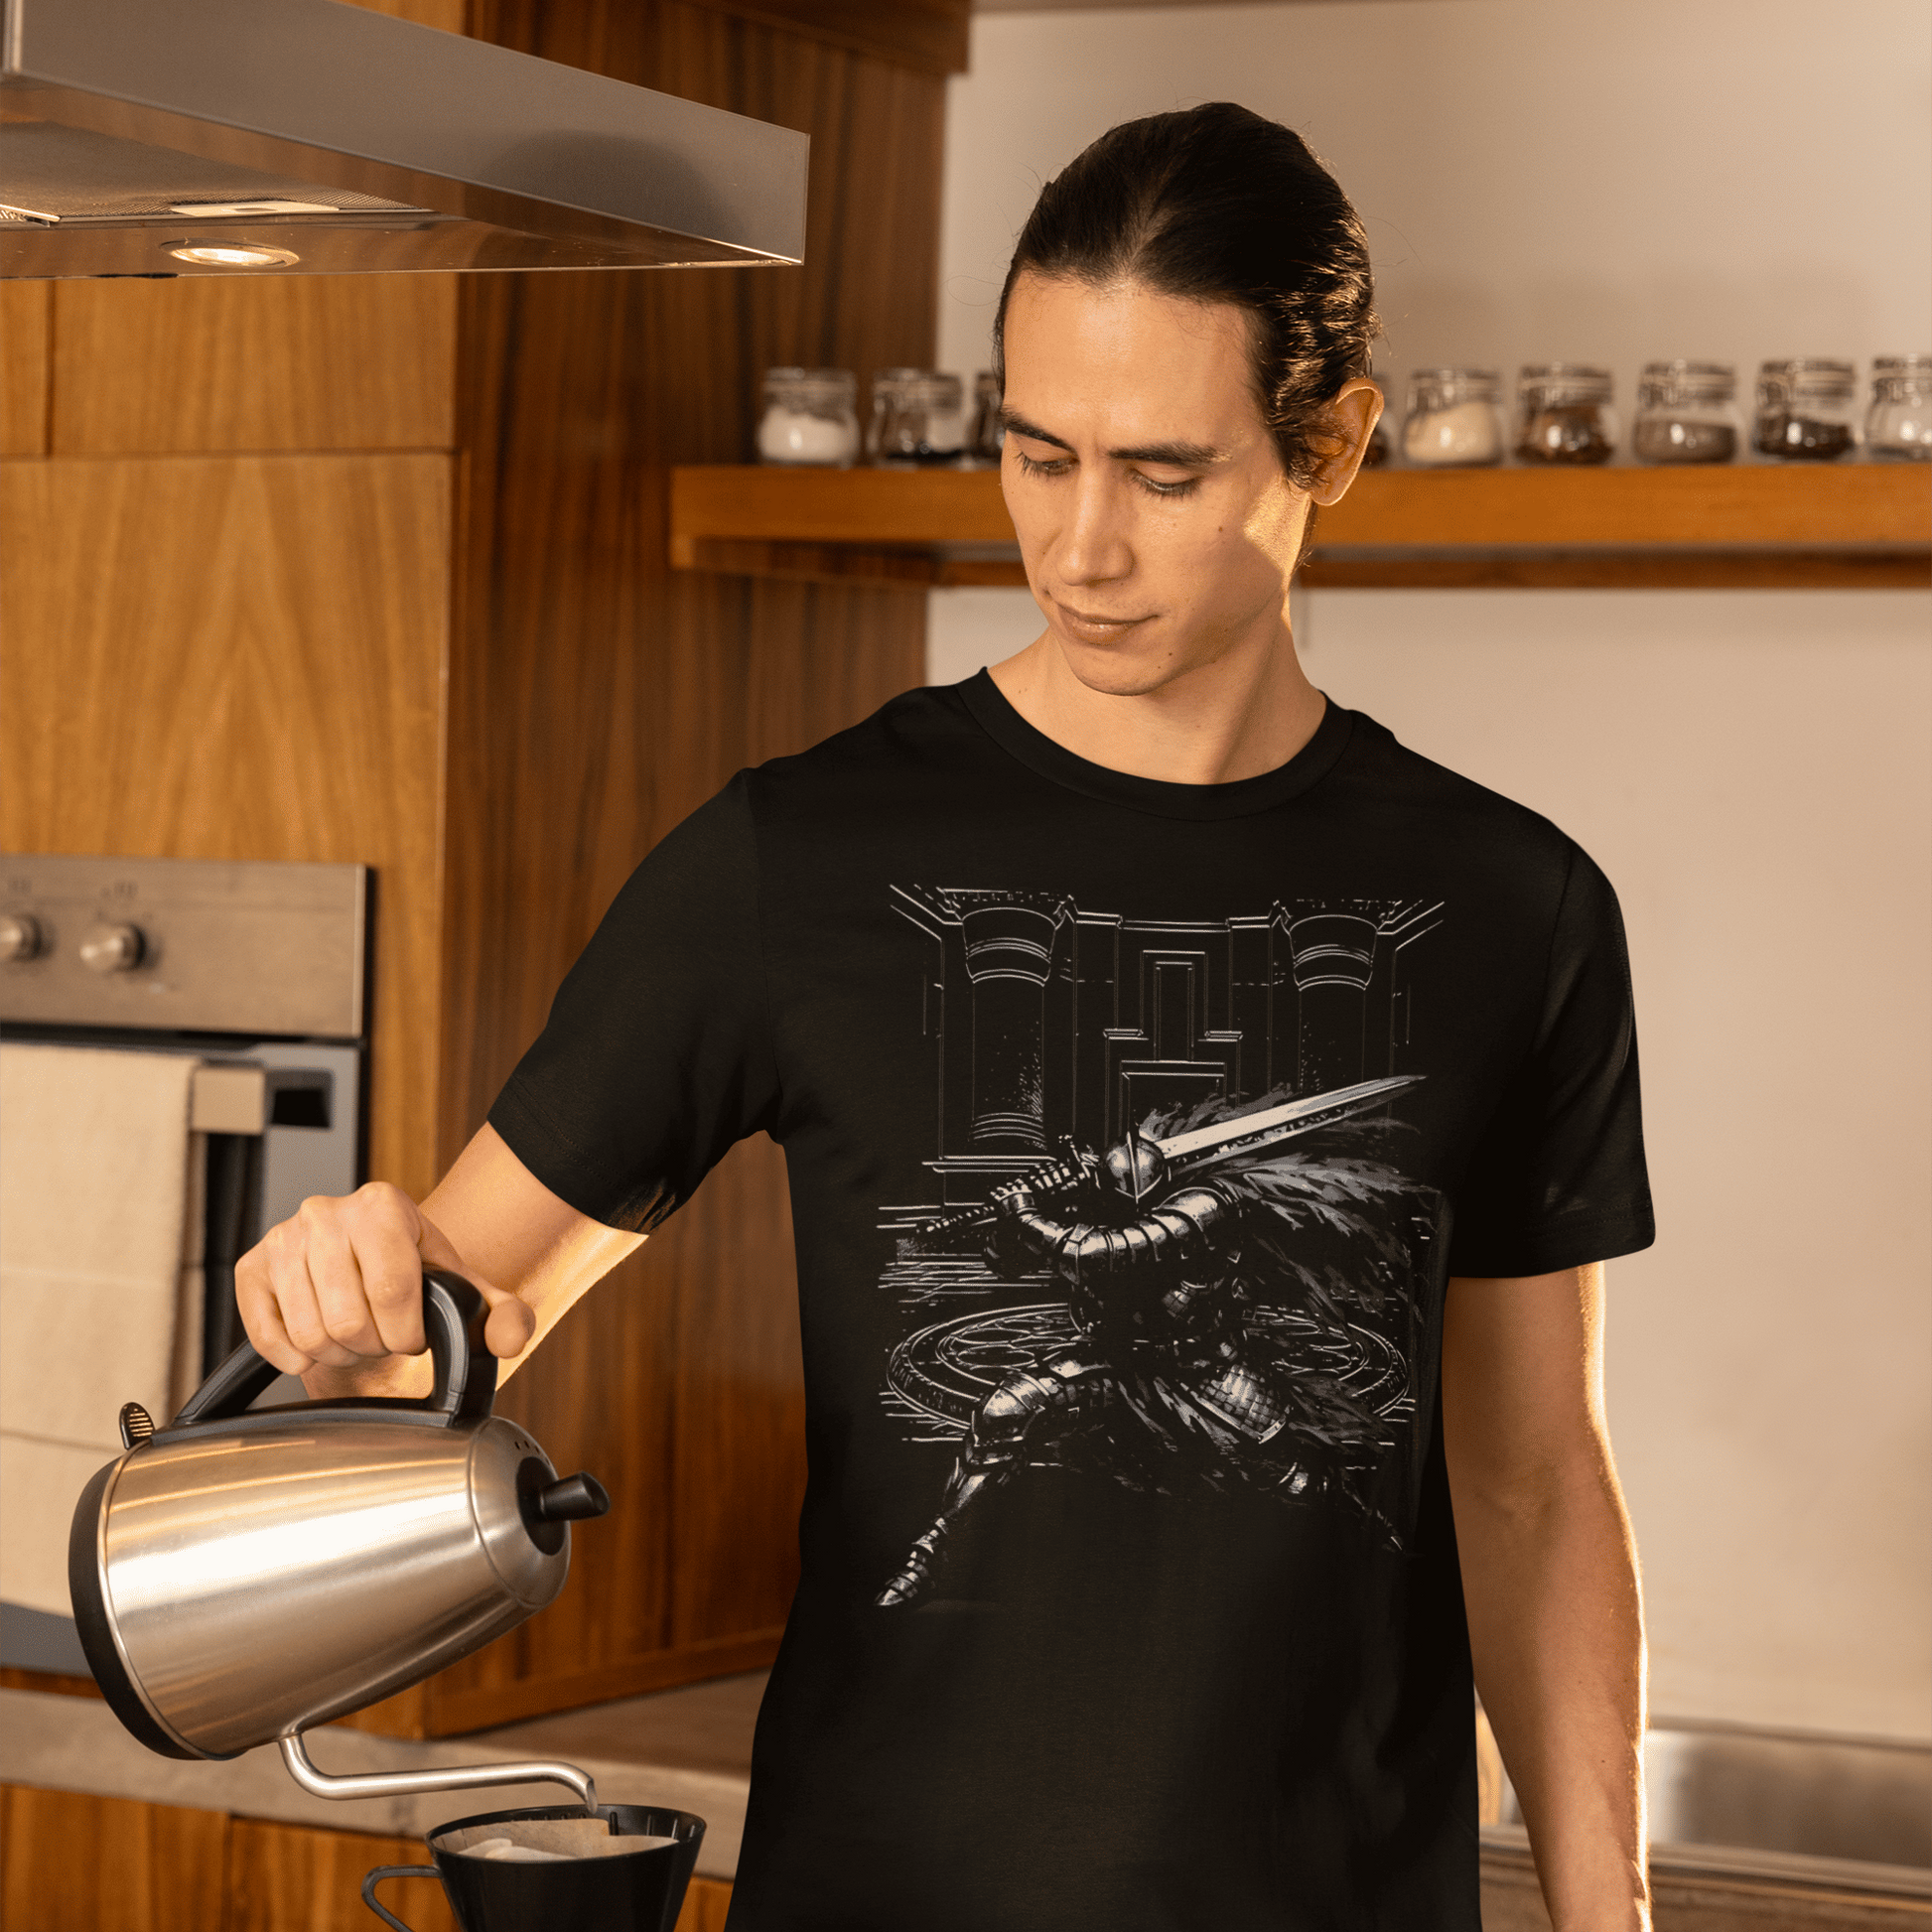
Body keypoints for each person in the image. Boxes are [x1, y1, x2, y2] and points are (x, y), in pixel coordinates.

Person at [236, 103, 1655, 1932]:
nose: (1076, 547)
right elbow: (452, 1325)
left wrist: (1603, 1913)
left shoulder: (1509, 906)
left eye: (1158, 471)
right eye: (1033, 452)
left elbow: (1529, 1481)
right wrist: (346, 1293)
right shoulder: (795, 858)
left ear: (1334, 445)